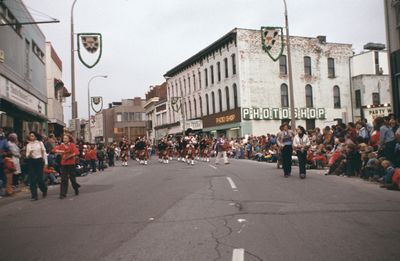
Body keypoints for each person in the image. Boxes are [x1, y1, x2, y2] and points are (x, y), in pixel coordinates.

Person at [53, 134, 80, 199]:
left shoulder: (72, 145)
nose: (64, 140)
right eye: (64, 138)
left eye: (66, 138)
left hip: (71, 164)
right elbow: (54, 150)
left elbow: (76, 152)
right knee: (64, 179)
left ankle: (76, 188)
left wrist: (69, 156)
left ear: (69, 139)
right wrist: (61, 151)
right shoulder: (61, 145)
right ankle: (62, 194)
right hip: (64, 164)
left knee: (72, 179)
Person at [26, 131, 48, 201]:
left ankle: (44, 189)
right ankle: (34, 196)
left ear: (35, 136)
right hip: (31, 161)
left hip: (39, 161)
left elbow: (44, 152)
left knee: (39, 179)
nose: (31, 137)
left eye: (32, 135)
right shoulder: (28, 145)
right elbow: (27, 155)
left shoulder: (40, 143)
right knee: (32, 180)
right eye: (30, 136)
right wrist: (29, 154)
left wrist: (46, 162)